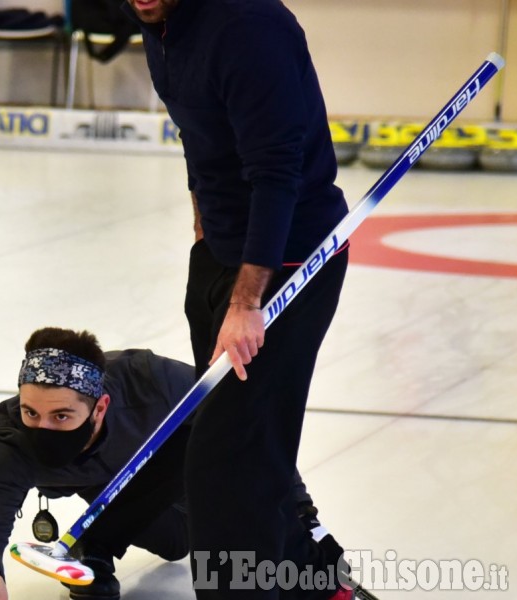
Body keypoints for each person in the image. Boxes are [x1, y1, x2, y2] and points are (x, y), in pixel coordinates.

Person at [121, 1, 352, 599]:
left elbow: (279, 173)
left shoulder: (248, 26)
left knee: (225, 466)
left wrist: (248, 301)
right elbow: (196, 134)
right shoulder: (159, 22)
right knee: (251, 443)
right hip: (223, 256)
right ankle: (313, 581)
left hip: (291, 262)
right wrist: (205, 226)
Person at [0, 327, 344, 600]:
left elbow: (252, 427)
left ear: (100, 408)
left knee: (191, 534)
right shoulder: (8, 438)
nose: (42, 427)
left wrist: (300, 508)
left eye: (61, 416)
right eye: (31, 412)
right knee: (176, 540)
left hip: (175, 472)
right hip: (102, 494)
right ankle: (95, 547)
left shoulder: (151, 382)